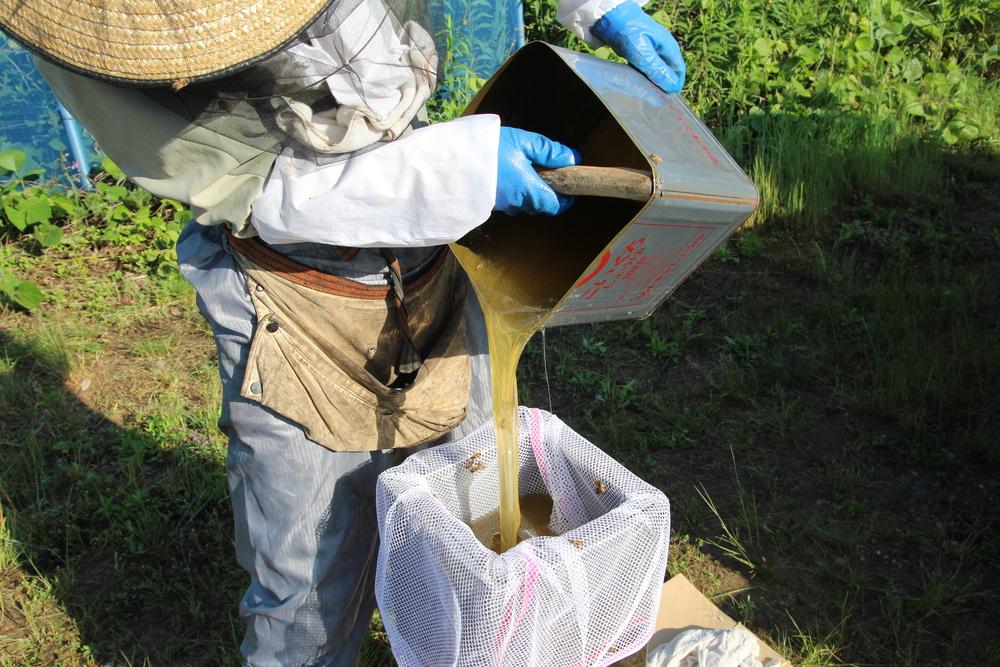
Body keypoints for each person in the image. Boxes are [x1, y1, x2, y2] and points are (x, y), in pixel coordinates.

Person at [1, 1, 685, 664]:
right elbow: (260, 189)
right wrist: (458, 171)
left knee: (476, 520)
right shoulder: (93, 28)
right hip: (295, 299)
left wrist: (601, 6)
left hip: (428, 252)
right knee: (307, 590)